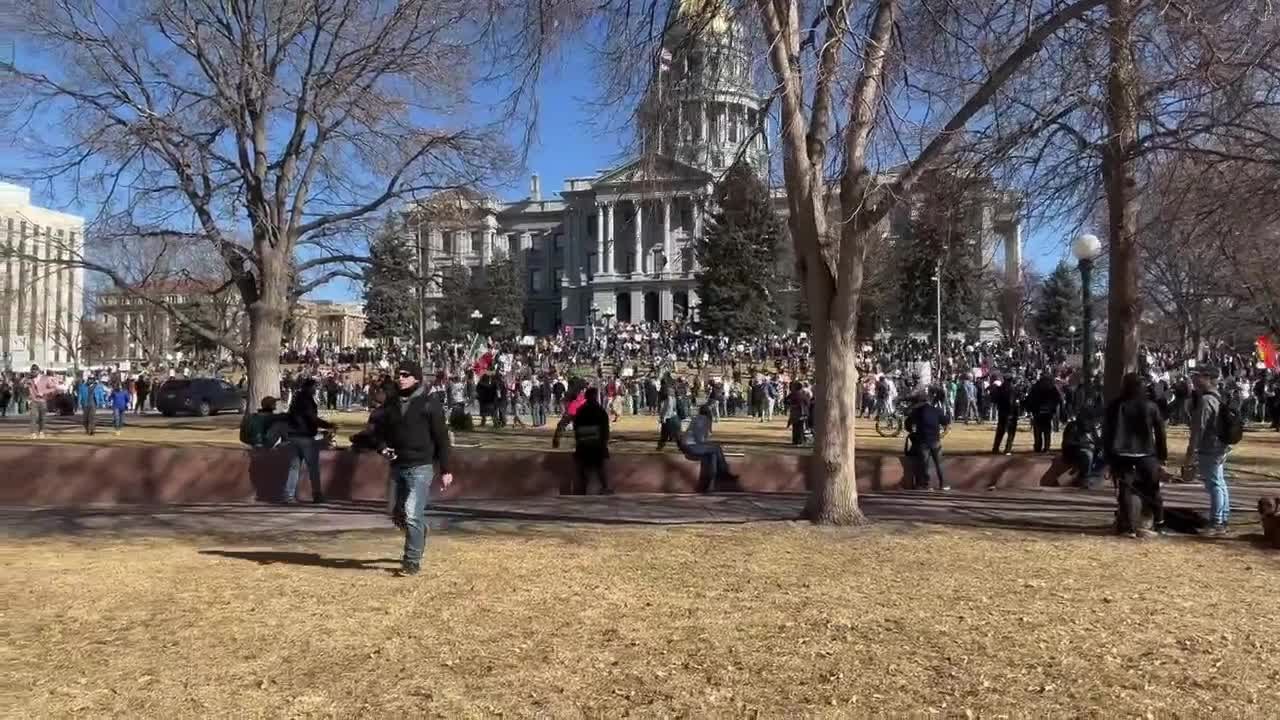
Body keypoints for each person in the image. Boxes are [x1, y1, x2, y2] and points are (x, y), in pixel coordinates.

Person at [376, 360, 454, 577]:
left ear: (416, 378)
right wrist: (382, 448)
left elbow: (442, 438)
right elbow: (379, 431)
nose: (400, 378)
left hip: (421, 467)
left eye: (405, 375)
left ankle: (411, 562)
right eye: (398, 375)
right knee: (397, 514)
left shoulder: (429, 403)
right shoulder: (391, 403)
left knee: (412, 514)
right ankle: (420, 529)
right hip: (397, 465)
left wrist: (446, 469)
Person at [1103, 372, 1168, 538]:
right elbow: (1160, 432)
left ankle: (1129, 527)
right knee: (1153, 488)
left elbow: (1107, 432)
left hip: (1122, 453)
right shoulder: (1151, 406)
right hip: (1146, 453)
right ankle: (1160, 522)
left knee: (1125, 490)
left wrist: (1108, 456)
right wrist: (1162, 456)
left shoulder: (1115, 405)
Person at [1187, 367, 1231, 535]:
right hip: (1219, 446)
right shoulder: (1218, 397)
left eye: (1197, 376)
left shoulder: (1206, 400)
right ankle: (1222, 518)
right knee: (1219, 483)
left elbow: (1199, 429)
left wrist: (1191, 451)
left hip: (1210, 447)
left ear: (1208, 378)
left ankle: (1216, 522)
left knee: (1214, 485)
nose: (1194, 380)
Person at [281, 377, 335, 504]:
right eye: (314, 387)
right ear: (310, 387)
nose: (316, 390)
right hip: (305, 437)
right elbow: (312, 418)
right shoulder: (307, 401)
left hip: (294, 435)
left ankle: (289, 495)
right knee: (313, 468)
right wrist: (328, 425)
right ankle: (317, 494)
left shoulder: (296, 400)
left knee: (294, 467)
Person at [552, 386, 612, 495]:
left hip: (583, 444)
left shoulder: (581, 410)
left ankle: (583, 490)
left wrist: (557, 438)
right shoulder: (600, 411)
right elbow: (605, 430)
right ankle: (604, 488)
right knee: (599, 468)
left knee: (584, 470)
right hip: (596, 445)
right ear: (595, 397)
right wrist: (604, 443)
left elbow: (565, 422)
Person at [682, 404, 739, 493]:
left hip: (689, 445)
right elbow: (700, 439)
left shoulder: (697, 418)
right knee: (716, 448)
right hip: (692, 446)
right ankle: (724, 473)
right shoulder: (703, 420)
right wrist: (709, 441)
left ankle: (709, 483)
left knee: (713, 455)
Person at [905, 388, 951, 491]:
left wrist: (912, 432)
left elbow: (907, 424)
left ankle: (926, 484)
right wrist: (943, 433)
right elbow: (946, 421)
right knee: (939, 464)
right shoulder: (936, 410)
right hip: (935, 440)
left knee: (924, 464)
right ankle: (943, 484)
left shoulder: (916, 411)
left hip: (923, 441)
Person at [1027, 371, 1062, 453]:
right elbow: (1058, 398)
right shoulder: (1052, 387)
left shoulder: (1036, 386)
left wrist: (1030, 409)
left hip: (1038, 411)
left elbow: (1030, 399)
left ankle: (1038, 447)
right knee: (1047, 431)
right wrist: (1053, 408)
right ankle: (1046, 447)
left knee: (1038, 430)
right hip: (1047, 411)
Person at [989, 374, 1020, 455]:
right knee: (1011, 432)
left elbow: (994, 399)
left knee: (1000, 431)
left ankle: (995, 448)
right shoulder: (1012, 389)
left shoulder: (1000, 388)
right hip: (1010, 413)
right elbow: (1012, 402)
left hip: (1001, 412)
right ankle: (1008, 449)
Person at [27, 365, 58, 439]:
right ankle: (33, 433)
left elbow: (53, 388)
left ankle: (41, 431)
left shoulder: (45, 378)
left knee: (42, 417)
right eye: (32, 371)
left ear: (38, 371)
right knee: (33, 417)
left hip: (43, 400)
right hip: (33, 401)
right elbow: (27, 389)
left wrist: (43, 393)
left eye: (34, 371)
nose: (33, 372)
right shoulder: (30, 380)